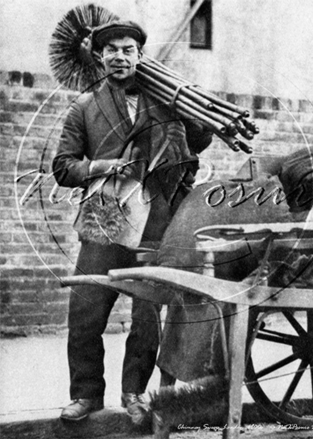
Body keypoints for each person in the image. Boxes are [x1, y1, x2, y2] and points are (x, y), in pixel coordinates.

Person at [52, 20, 212, 423]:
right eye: (112, 51)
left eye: (128, 50)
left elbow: (200, 141)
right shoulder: (85, 107)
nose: (120, 57)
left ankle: (135, 393)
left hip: (157, 219)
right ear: (100, 57)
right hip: (105, 219)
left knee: (146, 315)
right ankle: (86, 394)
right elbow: (62, 168)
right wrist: (105, 166)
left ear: (140, 55)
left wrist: (188, 106)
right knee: (86, 310)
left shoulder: (165, 99)